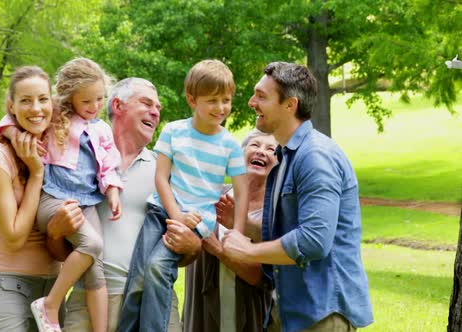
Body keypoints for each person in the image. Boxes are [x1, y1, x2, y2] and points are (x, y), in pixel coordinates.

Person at [222, 61, 374, 331]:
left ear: (290, 105)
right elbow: (288, 231)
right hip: (292, 309)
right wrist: (240, 221)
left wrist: (249, 251)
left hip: (323, 313)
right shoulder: (285, 156)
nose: (251, 102)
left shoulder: (315, 156)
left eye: (261, 96)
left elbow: (314, 240)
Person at [48, 77, 202, 332]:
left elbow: (189, 248)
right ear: (118, 106)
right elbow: (59, 251)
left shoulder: (165, 171)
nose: (156, 111)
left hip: (153, 303)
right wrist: (55, 231)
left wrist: (192, 245)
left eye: (158, 108)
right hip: (88, 302)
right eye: (147, 103)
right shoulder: (77, 165)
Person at [118, 59, 249, 332]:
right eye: (212, 100)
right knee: (139, 276)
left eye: (226, 100)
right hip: (162, 212)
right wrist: (176, 215)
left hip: (198, 220)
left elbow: (242, 191)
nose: (221, 108)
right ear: (192, 99)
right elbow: (161, 178)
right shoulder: (173, 131)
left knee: (156, 267)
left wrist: (236, 231)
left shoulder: (229, 146)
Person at [0, 58, 120, 332]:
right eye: (87, 101)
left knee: (96, 272)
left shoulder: (101, 129)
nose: (94, 106)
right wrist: (16, 135)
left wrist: (112, 190)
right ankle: (50, 304)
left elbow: (110, 163)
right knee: (93, 245)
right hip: (53, 197)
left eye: (100, 99)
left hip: (86, 202)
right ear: (70, 97)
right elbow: (7, 120)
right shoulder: (55, 118)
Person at [0, 65, 83, 331]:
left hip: (51, 287)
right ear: (11, 106)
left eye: (43, 99)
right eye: (26, 100)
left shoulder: (55, 146)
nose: (36, 109)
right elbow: (14, 237)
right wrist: (36, 173)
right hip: (5, 282)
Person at [183, 129, 277, 332]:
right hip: (203, 312)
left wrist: (219, 251)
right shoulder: (210, 197)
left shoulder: (275, 216)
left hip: (251, 315)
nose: (262, 152)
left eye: (271, 149)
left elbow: (263, 278)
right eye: (255, 145)